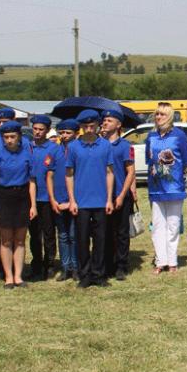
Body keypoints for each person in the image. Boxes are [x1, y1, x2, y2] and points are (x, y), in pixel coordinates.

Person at [66, 109, 114, 288]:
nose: (89, 129)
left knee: (100, 240)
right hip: (81, 202)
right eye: (85, 126)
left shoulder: (106, 146)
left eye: (92, 126)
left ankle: (99, 274)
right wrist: (72, 200)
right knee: (82, 240)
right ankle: (85, 274)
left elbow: (110, 173)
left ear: (97, 125)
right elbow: (69, 175)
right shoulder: (73, 147)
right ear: (80, 127)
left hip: (101, 201)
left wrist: (109, 199)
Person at [0, 120, 37, 289]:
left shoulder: (27, 154)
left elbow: (32, 181)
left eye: (13, 136)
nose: (9, 140)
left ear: (19, 137)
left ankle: (18, 276)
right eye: (6, 137)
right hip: (4, 196)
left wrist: (33, 205)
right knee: (6, 240)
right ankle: (8, 277)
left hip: (22, 196)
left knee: (21, 239)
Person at [146, 102, 187, 274]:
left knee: (173, 225)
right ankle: (160, 261)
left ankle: (172, 261)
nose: (158, 117)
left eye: (162, 114)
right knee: (157, 226)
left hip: (174, 188)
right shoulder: (150, 137)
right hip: (156, 188)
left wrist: (178, 178)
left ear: (170, 116)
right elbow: (149, 161)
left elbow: (186, 161)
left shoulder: (180, 135)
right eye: (157, 114)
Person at [101, 109, 136, 281]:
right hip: (102, 196)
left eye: (109, 120)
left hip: (120, 194)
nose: (105, 122)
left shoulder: (125, 146)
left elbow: (130, 172)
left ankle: (122, 265)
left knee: (121, 232)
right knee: (105, 232)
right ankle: (108, 264)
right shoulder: (99, 144)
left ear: (118, 124)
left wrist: (122, 195)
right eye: (104, 120)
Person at [47, 118, 79, 282]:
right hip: (58, 200)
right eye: (62, 133)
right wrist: (52, 199)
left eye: (68, 133)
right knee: (63, 236)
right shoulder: (54, 151)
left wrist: (74, 200)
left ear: (76, 133)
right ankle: (65, 268)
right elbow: (50, 176)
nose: (64, 136)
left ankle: (76, 267)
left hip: (74, 200)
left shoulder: (78, 149)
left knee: (74, 235)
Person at [28, 115, 59, 281]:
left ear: (47, 131)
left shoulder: (53, 148)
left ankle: (50, 263)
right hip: (31, 198)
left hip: (47, 197)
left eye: (41, 129)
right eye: (35, 129)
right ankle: (36, 263)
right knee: (34, 234)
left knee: (48, 233)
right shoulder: (27, 147)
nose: (38, 132)